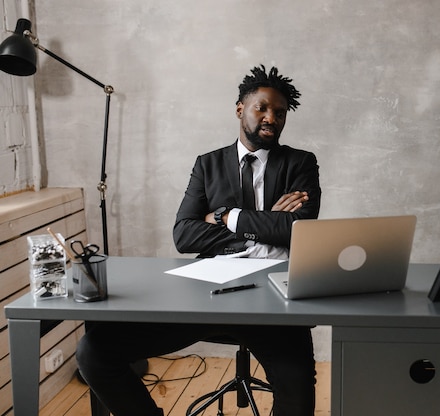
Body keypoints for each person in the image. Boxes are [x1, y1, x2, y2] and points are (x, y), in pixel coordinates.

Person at [76, 65, 321, 416]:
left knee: (298, 393)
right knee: (94, 351)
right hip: (208, 293)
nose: (271, 118)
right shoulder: (208, 165)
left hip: (276, 297)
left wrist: (225, 216)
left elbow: (299, 229)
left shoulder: (301, 163)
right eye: (262, 108)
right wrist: (268, 226)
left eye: (280, 113)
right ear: (240, 109)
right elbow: (184, 234)